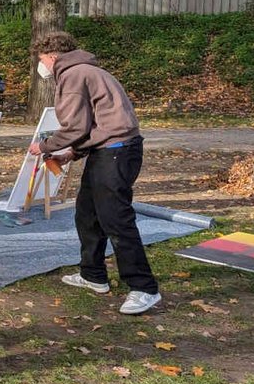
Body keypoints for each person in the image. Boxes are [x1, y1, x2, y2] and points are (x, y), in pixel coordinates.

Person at [29, 31, 161, 315]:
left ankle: (144, 287)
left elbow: (76, 127)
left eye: (41, 60)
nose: (42, 67)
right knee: (87, 214)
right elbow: (97, 124)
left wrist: (45, 146)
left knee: (116, 219)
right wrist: (72, 154)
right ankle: (93, 275)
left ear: (52, 56)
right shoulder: (86, 70)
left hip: (116, 152)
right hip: (108, 150)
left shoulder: (73, 75)